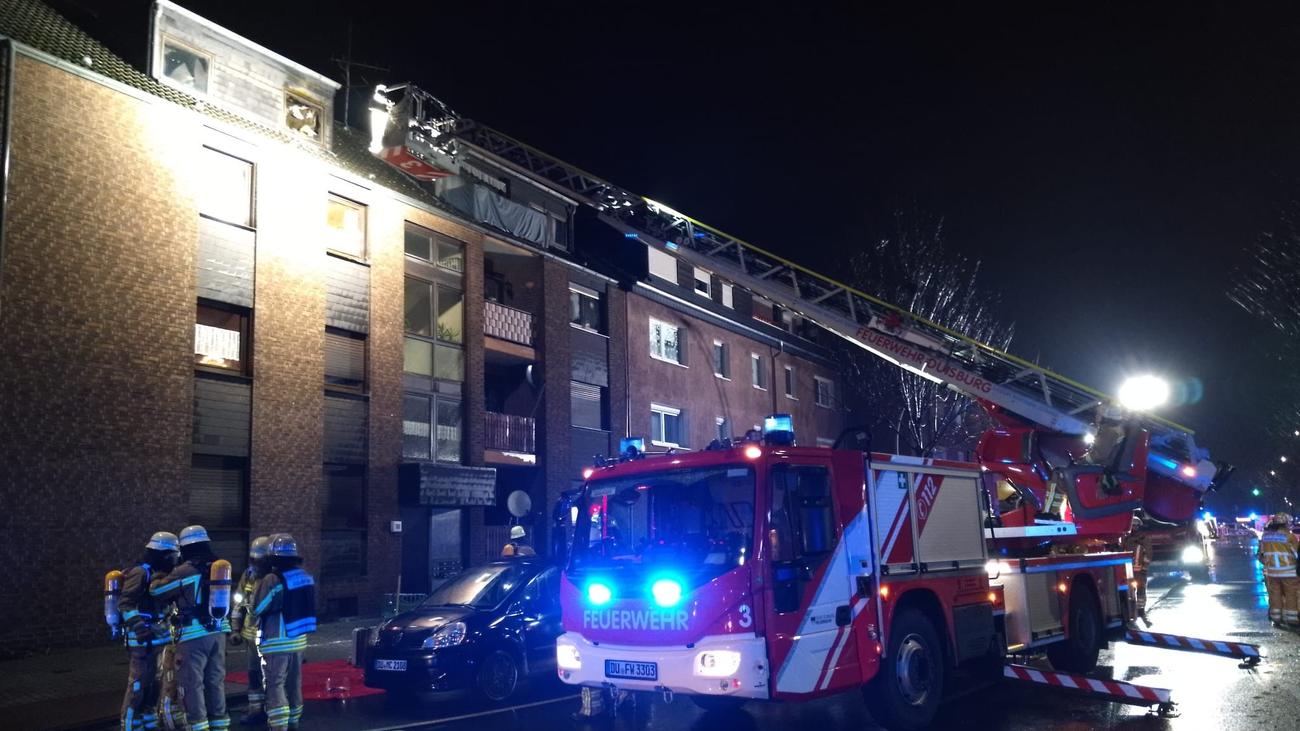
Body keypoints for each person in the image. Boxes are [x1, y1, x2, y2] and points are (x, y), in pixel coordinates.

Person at [150, 525, 231, 731]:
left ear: (185, 547)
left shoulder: (186, 570)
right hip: (218, 632)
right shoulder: (217, 566)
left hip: (193, 636)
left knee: (192, 684)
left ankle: (198, 726)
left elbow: (158, 591)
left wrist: (158, 575)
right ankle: (220, 724)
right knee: (215, 681)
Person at [253, 534, 316, 731]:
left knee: (275, 683)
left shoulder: (272, 579)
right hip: (298, 640)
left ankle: (279, 726)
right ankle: (294, 721)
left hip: (277, 640)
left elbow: (259, 607)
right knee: (294, 683)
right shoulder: (305, 576)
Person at [119, 531, 179, 731]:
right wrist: (140, 628)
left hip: (158, 638)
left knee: (153, 685)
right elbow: (126, 604)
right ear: (162, 554)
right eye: (172, 555)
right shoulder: (140, 573)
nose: (174, 560)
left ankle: (149, 723)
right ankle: (128, 725)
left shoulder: (160, 573)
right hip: (141, 641)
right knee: (138, 685)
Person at [230, 536, 271, 726]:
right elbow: (238, 604)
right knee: (254, 674)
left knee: (271, 677)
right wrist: (235, 629)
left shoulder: (274, 579)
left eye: (259, 560)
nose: (255, 564)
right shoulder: (248, 576)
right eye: (252, 560)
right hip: (250, 636)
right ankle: (256, 710)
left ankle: (272, 710)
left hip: (270, 637)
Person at [1258, 513, 1300, 627]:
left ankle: (1276, 618)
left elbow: (1261, 555)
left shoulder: (1265, 537)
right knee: (1291, 594)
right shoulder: (1289, 536)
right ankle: (1292, 619)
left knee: (1275, 594)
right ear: (1285, 524)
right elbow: (1297, 554)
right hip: (1289, 572)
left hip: (1271, 573)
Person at [1120, 516, 1151, 623]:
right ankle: (1131, 612)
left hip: (1140, 572)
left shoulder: (1143, 539)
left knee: (1141, 591)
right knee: (1129, 592)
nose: (1133, 527)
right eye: (1131, 525)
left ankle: (1141, 610)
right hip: (1128, 573)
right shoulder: (1125, 539)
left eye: (1135, 526)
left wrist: (1144, 568)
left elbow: (1148, 555)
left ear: (1138, 526)